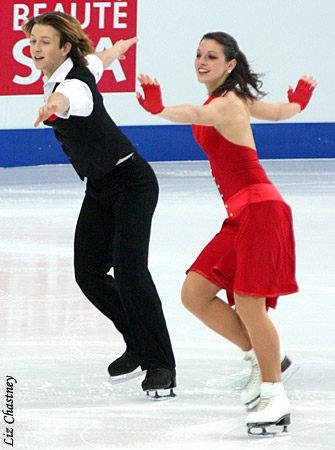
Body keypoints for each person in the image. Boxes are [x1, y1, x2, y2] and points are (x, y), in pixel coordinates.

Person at [136, 32, 316, 431]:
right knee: (195, 293)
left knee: (250, 305)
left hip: (261, 211)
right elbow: (277, 112)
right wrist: (299, 102)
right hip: (243, 213)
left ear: (230, 64)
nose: (202, 61)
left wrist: (160, 109)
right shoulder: (237, 99)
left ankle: (274, 393)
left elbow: (196, 116)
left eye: (212, 56)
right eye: (198, 54)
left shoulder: (225, 103)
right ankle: (267, 359)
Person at [23, 11, 176, 397]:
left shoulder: (74, 88)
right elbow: (96, 61)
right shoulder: (79, 64)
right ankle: (137, 341)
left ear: (64, 47)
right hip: (100, 187)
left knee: (129, 271)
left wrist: (51, 106)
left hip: (132, 183)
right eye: (34, 40)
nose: (36, 48)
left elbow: (69, 97)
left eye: (45, 41)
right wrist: (114, 52)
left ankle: (160, 365)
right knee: (88, 273)